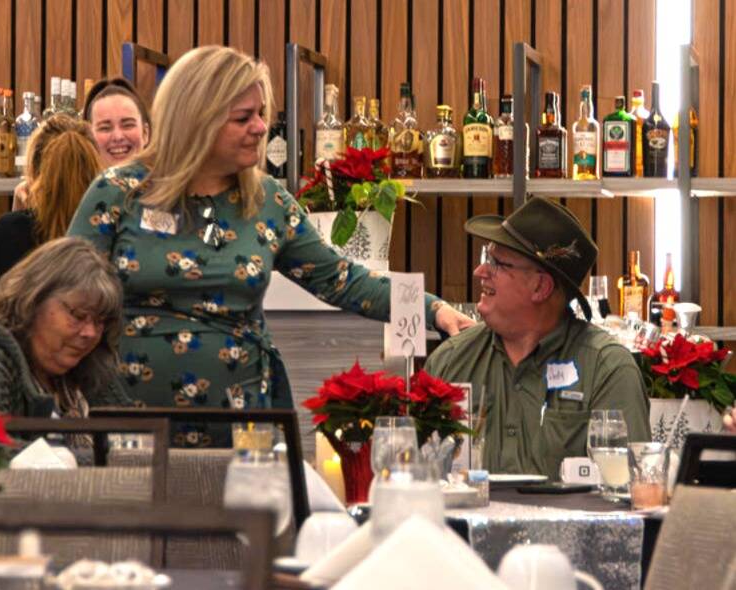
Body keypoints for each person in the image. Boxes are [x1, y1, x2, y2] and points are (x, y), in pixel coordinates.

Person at [67, 45, 473, 447]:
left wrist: (433, 309)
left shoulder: (267, 201)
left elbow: (343, 279)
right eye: (244, 117)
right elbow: (66, 290)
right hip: (128, 425)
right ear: (197, 122)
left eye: (261, 113)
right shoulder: (118, 191)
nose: (261, 127)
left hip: (242, 425)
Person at [424, 197, 651, 479]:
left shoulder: (608, 371)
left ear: (540, 286)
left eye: (497, 263)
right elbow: (417, 480)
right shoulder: (449, 361)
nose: (480, 272)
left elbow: (627, 489)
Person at [0, 237, 131, 418]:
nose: (91, 333)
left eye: (100, 321)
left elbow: (129, 435)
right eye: (78, 316)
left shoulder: (90, 364)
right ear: (33, 301)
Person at [12, 78, 151, 211]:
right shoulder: (66, 199)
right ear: (87, 137)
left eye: (128, 125)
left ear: (146, 133)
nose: (118, 137)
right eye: (105, 128)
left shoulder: (161, 194)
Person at [0, 116, 103, 278]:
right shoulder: (109, 226)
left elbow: (10, 284)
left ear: (35, 169)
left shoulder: (11, 229)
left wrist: (19, 210)